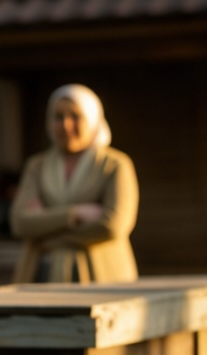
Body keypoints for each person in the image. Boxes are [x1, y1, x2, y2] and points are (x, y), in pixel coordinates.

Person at [10, 83, 139, 283]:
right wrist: (75, 214)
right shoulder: (37, 166)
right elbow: (20, 222)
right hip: (42, 277)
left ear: (93, 120)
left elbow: (113, 225)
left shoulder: (114, 165)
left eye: (75, 116)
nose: (66, 125)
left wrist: (48, 233)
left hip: (103, 278)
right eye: (58, 117)